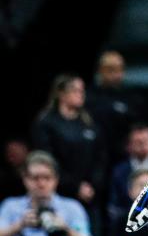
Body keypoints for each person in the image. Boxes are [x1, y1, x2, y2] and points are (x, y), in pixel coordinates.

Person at [31, 75, 107, 213]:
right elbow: (47, 159)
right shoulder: (46, 123)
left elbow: (100, 158)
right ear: (61, 93)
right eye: (75, 90)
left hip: (90, 194)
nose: (80, 94)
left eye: (82, 90)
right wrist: (75, 187)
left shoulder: (89, 123)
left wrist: (93, 185)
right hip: (60, 193)